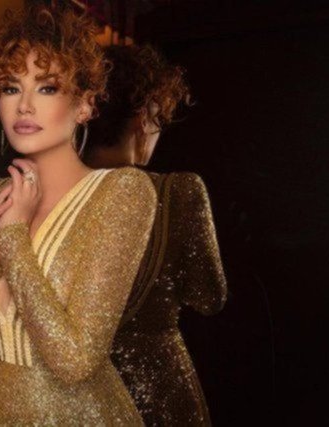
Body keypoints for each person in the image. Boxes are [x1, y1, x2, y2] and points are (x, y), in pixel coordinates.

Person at [0, 6, 157, 425]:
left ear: (84, 105)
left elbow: (74, 361)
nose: (24, 106)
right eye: (11, 88)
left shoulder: (123, 193)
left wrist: (14, 237)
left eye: (47, 88)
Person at [85, 44, 228, 426]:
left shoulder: (49, 193)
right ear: (143, 115)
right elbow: (209, 297)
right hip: (157, 388)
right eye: (159, 117)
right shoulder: (178, 192)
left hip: (72, 390)